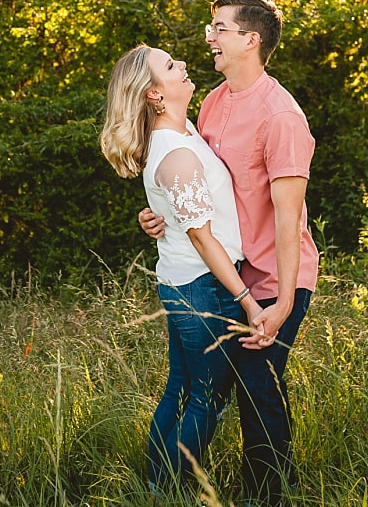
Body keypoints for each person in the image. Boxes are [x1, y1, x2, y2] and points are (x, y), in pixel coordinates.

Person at [139, 0, 319, 507]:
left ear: (250, 40)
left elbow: (290, 217)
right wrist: (158, 215)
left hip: (276, 275)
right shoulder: (214, 101)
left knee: (258, 384)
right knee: (215, 390)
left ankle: (267, 495)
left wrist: (283, 301)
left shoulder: (282, 117)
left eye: (219, 28)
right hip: (227, 274)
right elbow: (191, 178)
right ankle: (175, 484)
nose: (209, 38)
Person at [100, 44, 263, 497]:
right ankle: (169, 488)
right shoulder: (177, 153)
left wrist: (150, 216)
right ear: (154, 94)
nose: (184, 65)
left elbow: (176, 207)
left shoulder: (182, 131)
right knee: (206, 398)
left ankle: (155, 484)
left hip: (183, 282)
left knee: (182, 389)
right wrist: (246, 299)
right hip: (200, 287)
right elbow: (201, 237)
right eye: (171, 66)